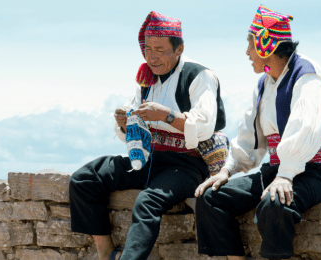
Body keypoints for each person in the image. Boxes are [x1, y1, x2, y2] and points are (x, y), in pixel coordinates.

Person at [68, 11, 228, 260]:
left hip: (188, 166)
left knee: (147, 200)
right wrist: (125, 123)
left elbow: (205, 126)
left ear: (179, 49)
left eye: (160, 49)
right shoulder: (145, 79)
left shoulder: (199, 76)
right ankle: (106, 253)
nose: (152, 56)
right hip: (150, 159)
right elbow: (136, 132)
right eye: (148, 48)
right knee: (85, 178)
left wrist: (165, 115)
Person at [194, 5, 321, 260]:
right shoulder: (264, 83)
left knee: (274, 205)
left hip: (315, 174)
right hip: (277, 172)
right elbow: (249, 139)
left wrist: (286, 175)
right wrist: (226, 170)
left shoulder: (308, 75)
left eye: (250, 44)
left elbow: (306, 129)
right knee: (210, 198)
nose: (247, 52)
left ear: (266, 45)